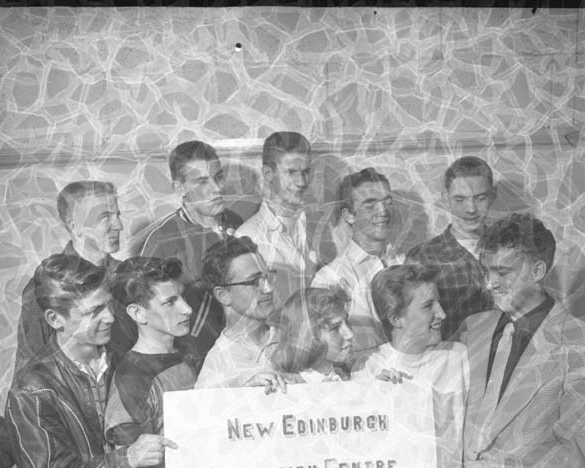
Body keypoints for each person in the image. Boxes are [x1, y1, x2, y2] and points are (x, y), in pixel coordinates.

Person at [449, 213, 585, 468]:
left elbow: (583, 451)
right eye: (487, 271)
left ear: (538, 271)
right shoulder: (473, 327)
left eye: (503, 272)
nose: (490, 284)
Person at [5, 254, 176, 468]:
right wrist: (128, 458)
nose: (110, 317)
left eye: (108, 305)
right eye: (93, 311)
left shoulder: (124, 359)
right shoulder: (31, 391)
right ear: (55, 319)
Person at [195, 236, 307, 468]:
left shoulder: (295, 338)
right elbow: (209, 459)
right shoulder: (216, 369)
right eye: (253, 282)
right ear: (223, 295)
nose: (268, 288)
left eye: (268, 276)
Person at [353, 264, 470, 468]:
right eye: (428, 306)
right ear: (396, 318)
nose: (442, 313)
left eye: (439, 302)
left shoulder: (459, 356)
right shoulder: (368, 368)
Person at [104, 256, 218, 468]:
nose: (187, 308)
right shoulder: (132, 379)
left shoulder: (188, 352)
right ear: (138, 313)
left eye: (183, 296)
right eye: (170, 302)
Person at [271, 287, 369, 468]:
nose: (349, 334)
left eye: (346, 323)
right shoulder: (280, 392)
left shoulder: (351, 380)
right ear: (307, 336)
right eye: (335, 328)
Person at [141, 140, 243, 369]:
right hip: (192, 360)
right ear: (180, 188)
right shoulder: (162, 240)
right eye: (202, 181)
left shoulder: (238, 223)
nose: (216, 188)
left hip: (241, 350)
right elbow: (150, 314)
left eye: (218, 177)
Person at [15, 180, 124, 373]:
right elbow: (29, 367)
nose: (119, 225)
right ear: (75, 226)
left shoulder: (127, 276)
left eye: (118, 215)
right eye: (105, 217)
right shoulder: (45, 288)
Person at [312, 168, 404, 360]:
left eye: (388, 202)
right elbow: (328, 351)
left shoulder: (406, 263)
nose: (383, 211)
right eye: (370, 205)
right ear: (349, 215)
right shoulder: (328, 279)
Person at [406, 156, 495, 340]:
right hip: (448, 356)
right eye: (460, 199)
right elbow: (415, 329)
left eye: (480, 198)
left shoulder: (509, 249)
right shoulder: (422, 258)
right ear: (446, 199)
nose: (471, 209)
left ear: (492, 196)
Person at [236, 131, 317, 306]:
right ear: (268, 173)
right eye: (291, 172)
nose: (301, 181)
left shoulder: (314, 225)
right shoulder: (248, 237)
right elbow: (248, 307)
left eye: (306, 171)